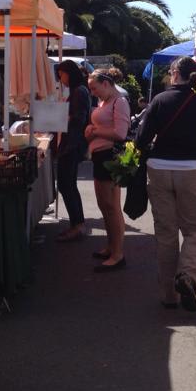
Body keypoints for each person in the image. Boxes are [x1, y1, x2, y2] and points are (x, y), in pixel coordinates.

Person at [134, 56, 196, 311]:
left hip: (159, 169)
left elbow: (141, 138)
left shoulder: (159, 101)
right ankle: (188, 276)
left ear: (174, 73)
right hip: (193, 169)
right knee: (195, 229)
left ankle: (168, 296)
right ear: (194, 75)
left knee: (166, 232)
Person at [84, 69, 130, 272]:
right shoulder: (105, 102)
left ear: (106, 83)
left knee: (111, 207)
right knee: (105, 206)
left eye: (94, 88)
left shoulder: (119, 102)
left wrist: (94, 131)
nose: (92, 92)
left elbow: (120, 133)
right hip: (100, 156)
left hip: (109, 157)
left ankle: (117, 254)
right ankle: (112, 247)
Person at [54, 60, 91, 243]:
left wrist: (58, 117)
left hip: (73, 144)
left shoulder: (79, 92)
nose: (60, 78)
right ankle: (78, 224)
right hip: (72, 143)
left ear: (69, 73)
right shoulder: (78, 90)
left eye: (62, 74)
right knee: (68, 185)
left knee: (66, 184)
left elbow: (78, 118)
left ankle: (77, 225)